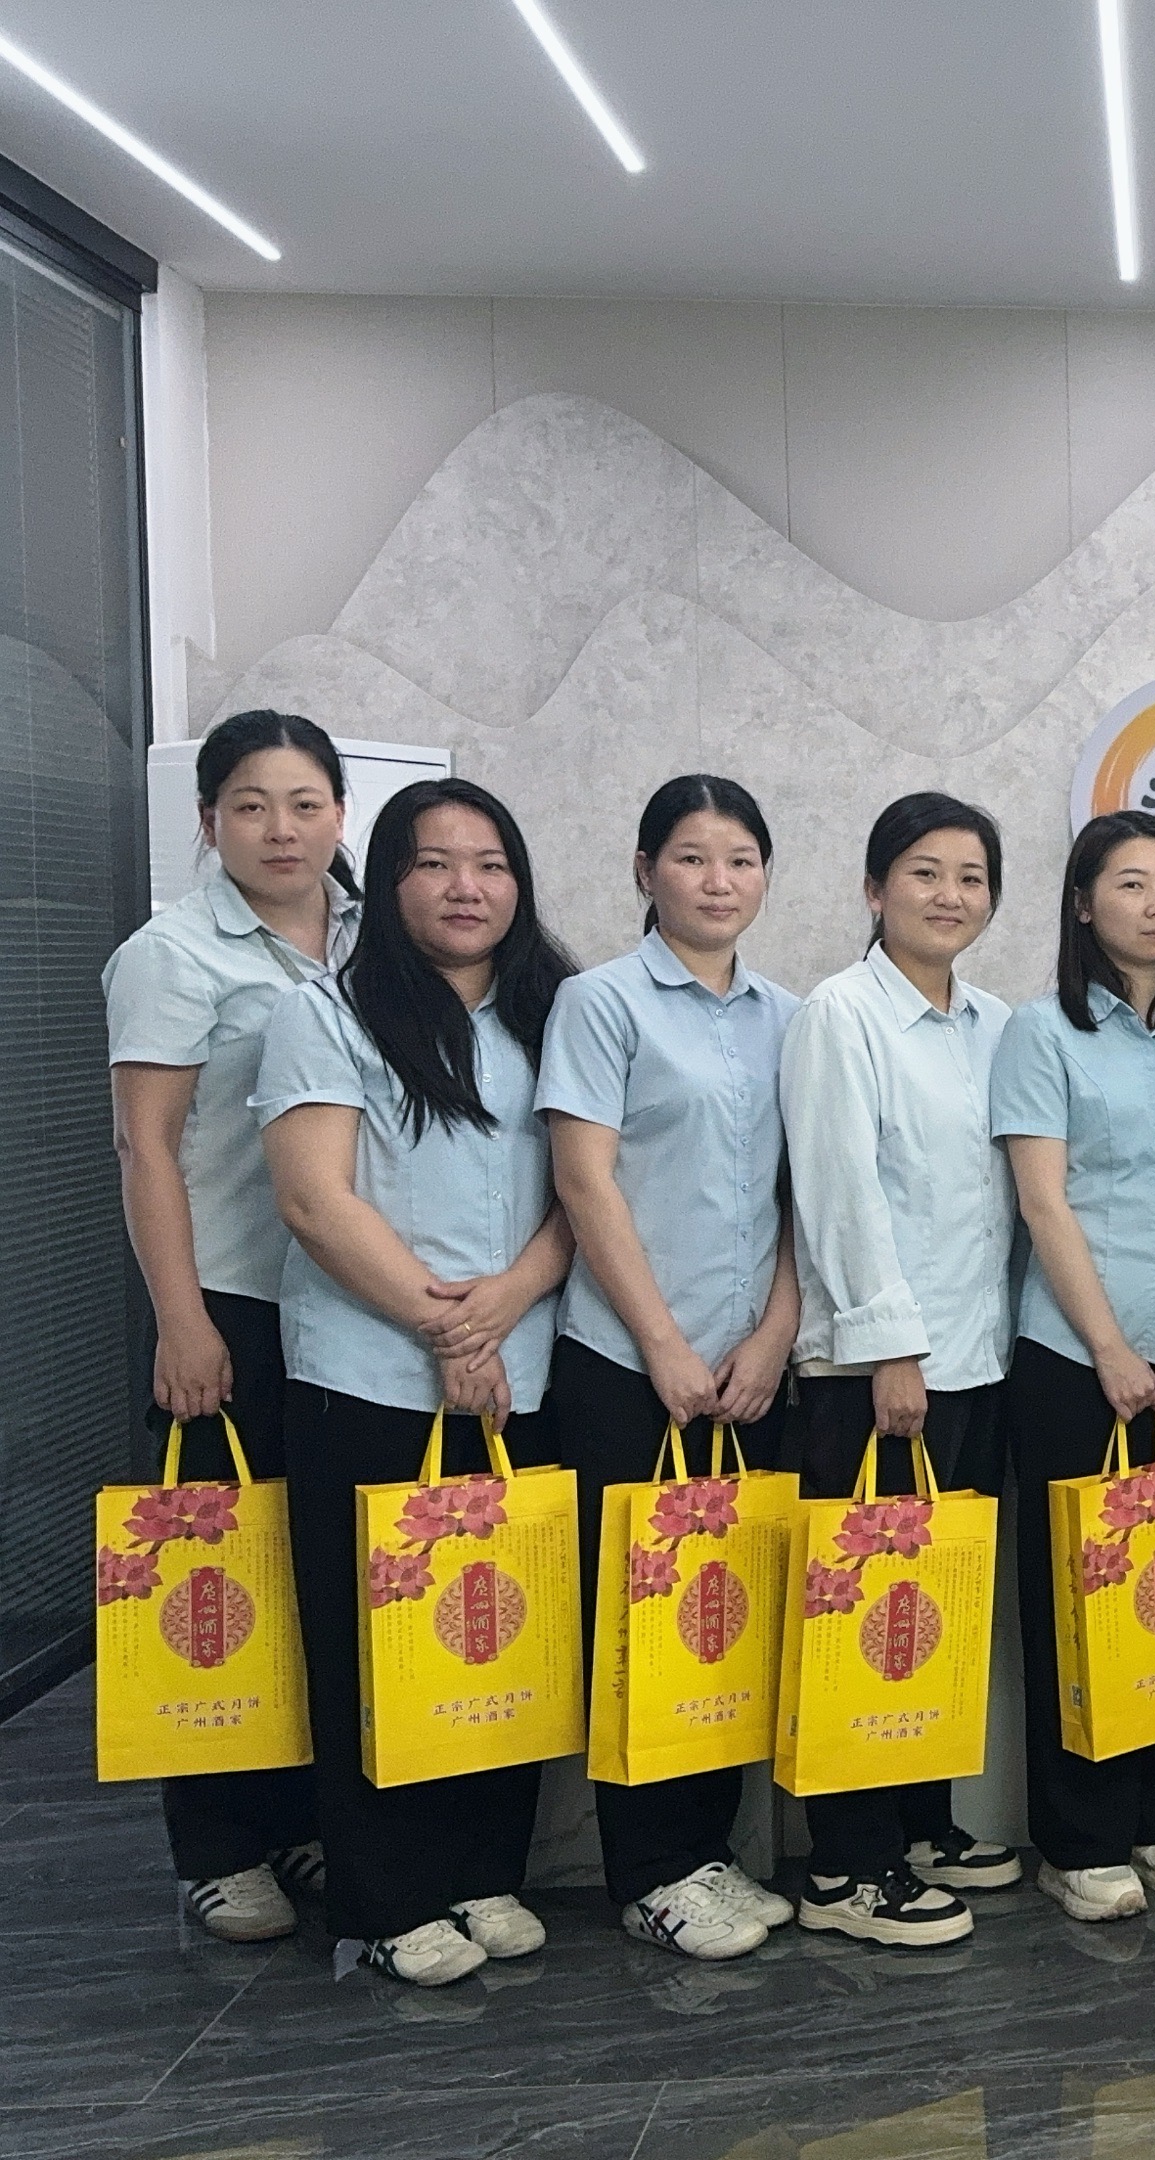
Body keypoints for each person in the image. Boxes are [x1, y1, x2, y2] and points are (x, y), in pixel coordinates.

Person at [255, 777, 577, 1987]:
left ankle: (484, 1870)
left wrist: (506, 1303)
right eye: (434, 863)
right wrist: (446, 1328)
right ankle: (387, 1900)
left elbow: (589, 1187)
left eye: (490, 864)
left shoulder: (556, 1012)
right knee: (375, 1640)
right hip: (371, 1376)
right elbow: (315, 1199)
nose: (465, 888)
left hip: (522, 1365)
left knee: (497, 1629)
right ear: (389, 881)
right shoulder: (326, 1013)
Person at [105, 710, 358, 1942]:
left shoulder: (371, 935)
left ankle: (299, 1815)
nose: (281, 829)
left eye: (305, 803)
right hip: (231, 1303)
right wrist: (181, 1317)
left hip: (343, 1307)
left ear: (341, 815)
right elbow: (145, 1147)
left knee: (306, 1570)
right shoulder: (173, 953)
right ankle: (216, 1844)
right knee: (211, 1574)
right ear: (209, 821)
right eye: (251, 806)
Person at [538, 775, 801, 1962]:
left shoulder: (790, 1016)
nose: (718, 881)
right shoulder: (600, 1003)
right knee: (643, 1619)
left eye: (740, 859)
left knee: (725, 1614)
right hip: (628, 1365)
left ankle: (710, 1853)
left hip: (752, 1370)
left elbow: (806, 1194)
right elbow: (583, 1181)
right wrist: (662, 1347)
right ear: (645, 871)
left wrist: (776, 1334)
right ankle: (649, 1872)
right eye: (691, 857)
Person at [779, 792, 1026, 1946]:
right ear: (875, 889)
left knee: (933, 1610)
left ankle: (921, 1826)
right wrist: (890, 1347)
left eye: (970, 877)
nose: (949, 895)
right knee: (862, 1610)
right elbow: (839, 1192)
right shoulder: (840, 1014)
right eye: (924, 873)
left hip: (977, 1358)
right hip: (878, 1373)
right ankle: (846, 1865)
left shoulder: (998, 1025)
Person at [991, 811, 1155, 1924]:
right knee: (1078, 1599)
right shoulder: (1040, 1031)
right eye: (1131, 884)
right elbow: (1042, 1202)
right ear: (1083, 905)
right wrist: (1105, 1346)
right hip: (1072, 1359)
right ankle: (1079, 1839)